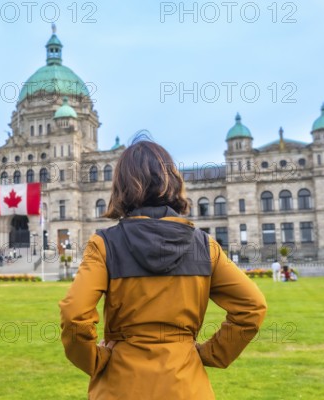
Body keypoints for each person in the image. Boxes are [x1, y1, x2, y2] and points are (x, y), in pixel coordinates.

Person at [59, 137, 267, 399]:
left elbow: (74, 314)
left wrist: (95, 360)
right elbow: (252, 306)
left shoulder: (104, 244)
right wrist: (210, 353)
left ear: (120, 186)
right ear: (172, 182)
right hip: (187, 385)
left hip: (121, 384)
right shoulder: (204, 245)